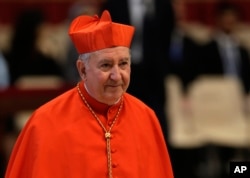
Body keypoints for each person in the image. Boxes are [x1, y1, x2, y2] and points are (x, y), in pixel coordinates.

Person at [5, 10, 174, 178]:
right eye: (106, 65)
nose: (117, 76)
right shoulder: (44, 123)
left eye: (123, 64)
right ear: (83, 69)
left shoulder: (146, 118)